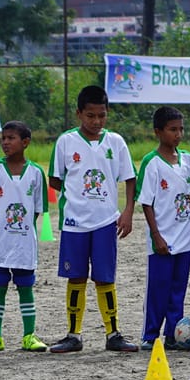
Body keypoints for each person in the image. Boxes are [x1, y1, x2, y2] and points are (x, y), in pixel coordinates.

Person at [47, 83, 138, 354]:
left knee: (105, 278)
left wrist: (128, 211)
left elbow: (130, 178)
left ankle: (113, 333)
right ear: (79, 114)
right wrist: (77, 198)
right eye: (90, 116)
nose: (96, 121)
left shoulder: (116, 142)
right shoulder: (66, 141)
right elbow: (55, 179)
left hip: (105, 222)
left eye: (101, 115)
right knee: (76, 277)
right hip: (74, 223)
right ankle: (73, 335)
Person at [0, 120, 47, 352]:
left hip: (24, 242)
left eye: (11, 138)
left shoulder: (36, 173)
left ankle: (29, 335)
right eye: (3, 138)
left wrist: (20, 231)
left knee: (25, 286)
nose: (5, 142)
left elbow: (37, 211)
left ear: (25, 142)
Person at [137, 106, 190, 350]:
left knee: (178, 289)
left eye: (181, 129)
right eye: (172, 129)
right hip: (162, 238)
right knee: (158, 289)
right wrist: (156, 235)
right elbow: (145, 202)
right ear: (158, 131)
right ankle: (150, 335)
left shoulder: (188, 160)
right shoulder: (151, 163)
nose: (178, 134)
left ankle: (174, 334)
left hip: (184, 237)